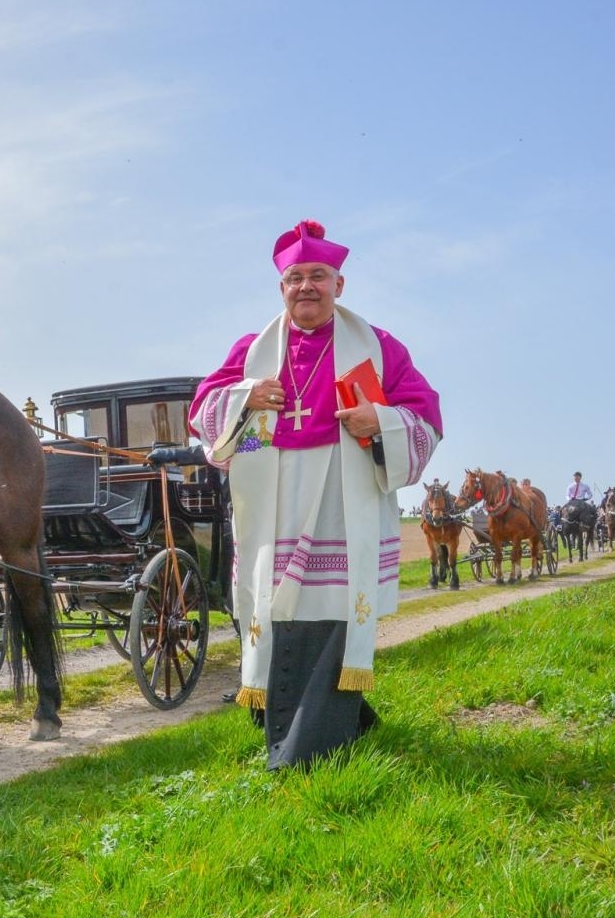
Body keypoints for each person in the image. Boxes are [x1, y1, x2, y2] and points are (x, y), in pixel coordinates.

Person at [189, 219, 442, 769]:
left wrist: (380, 420)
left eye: (318, 276)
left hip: (339, 498)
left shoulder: (377, 346)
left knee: (329, 612)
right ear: (281, 288)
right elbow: (202, 409)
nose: (307, 286)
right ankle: (316, 732)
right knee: (276, 612)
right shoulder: (253, 349)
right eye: (296, 277)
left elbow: (424, 413)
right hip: (273, 496)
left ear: (339, 285)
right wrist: (246, 393)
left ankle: (307, 751)